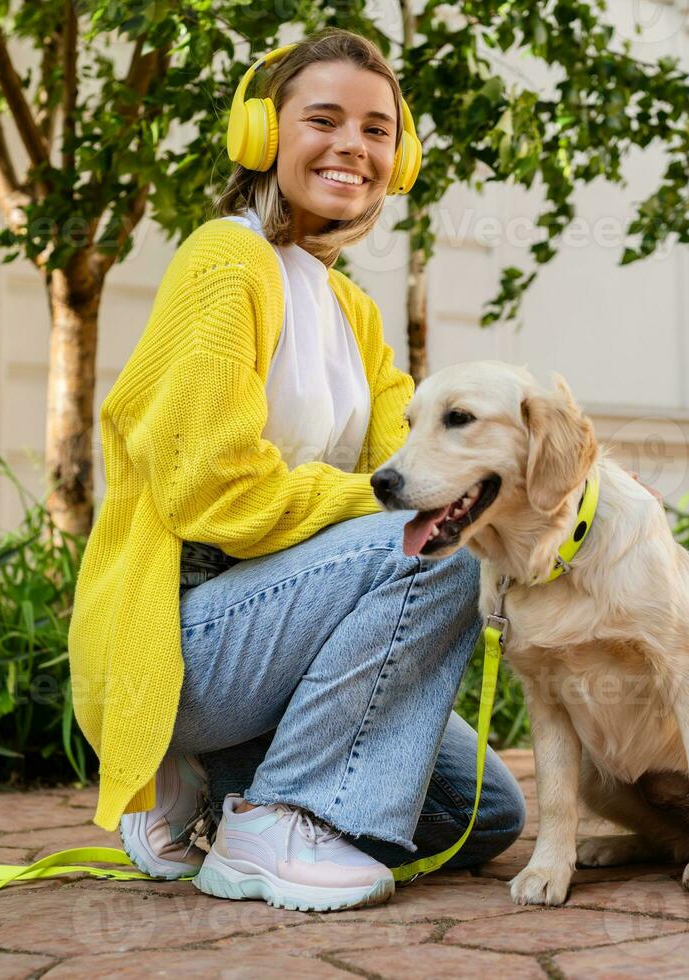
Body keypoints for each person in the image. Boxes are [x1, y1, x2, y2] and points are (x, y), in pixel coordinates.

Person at [67, 28, 525, 914]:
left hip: (280, 626)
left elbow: (416, 458)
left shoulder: (348, 306)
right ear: (263, 135)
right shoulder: (223, 262)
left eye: (378, 129)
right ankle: (276, 820)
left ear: (402, 157)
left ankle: (213, 790)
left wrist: (542, 486)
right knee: (435, 548)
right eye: (323, 119)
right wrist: (404, 507)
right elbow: (213, 490)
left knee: (481, 813)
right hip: (181, 636)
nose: (353, 144)